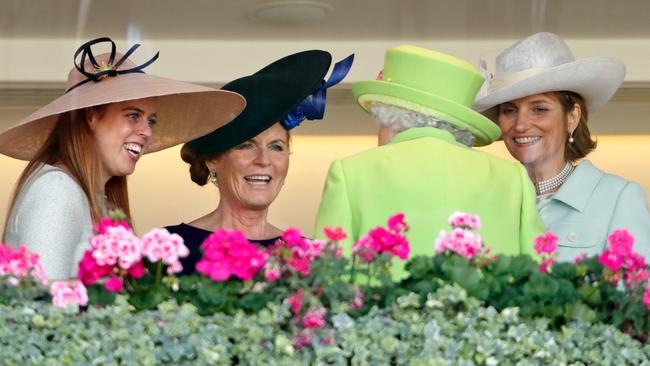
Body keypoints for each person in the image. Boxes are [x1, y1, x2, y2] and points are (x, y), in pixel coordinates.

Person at [1, 37, 246, 280]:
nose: (147, 131)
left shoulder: (98, 198)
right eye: (132, 116)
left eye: (150, 121)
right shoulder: (57, 188)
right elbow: (44, 306)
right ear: (91, 116)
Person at [313, 45, 545, 279]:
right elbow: (538, 281)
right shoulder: (512, 178)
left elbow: (328, 283)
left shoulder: (349, 173)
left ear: (389, 118)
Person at [166, 50, 353, 275]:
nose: (264, 160)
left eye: (276, 147)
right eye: (246, 145)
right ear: (214, 160)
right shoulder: (171, 248)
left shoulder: (308, 257)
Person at [473, 32, 650, 262]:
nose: (521, 124)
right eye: (510, 110)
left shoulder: (618, 197)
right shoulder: (488, 201)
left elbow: (639, 293)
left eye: (539, 109)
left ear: (572, 117)